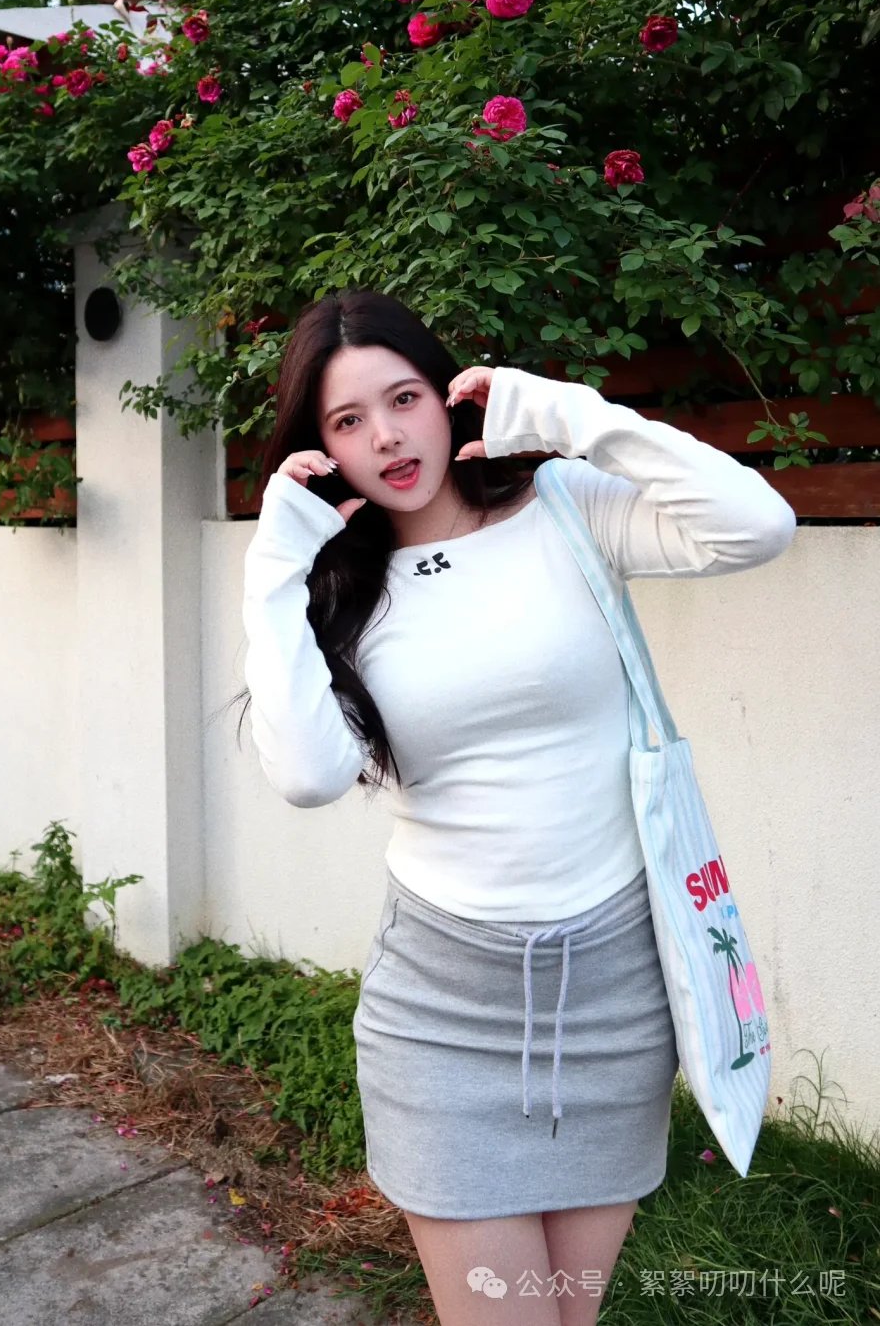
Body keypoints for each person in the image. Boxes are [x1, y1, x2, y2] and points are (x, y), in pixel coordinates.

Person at [239, 288, 797, 1326]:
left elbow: (758, 527)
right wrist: (276, 562)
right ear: (319, 448)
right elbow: (310, 775)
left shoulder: (566, 508)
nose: (386, 436)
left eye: (403, 398)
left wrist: (568, 412)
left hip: (616, 995)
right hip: (444, 1009)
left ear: (447, 395)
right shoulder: (336, 591)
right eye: (347, 420)